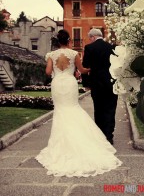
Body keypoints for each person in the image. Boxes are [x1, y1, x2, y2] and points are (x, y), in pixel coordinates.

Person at [36, 29, 122, 177]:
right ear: (69, 41)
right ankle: (103, 136)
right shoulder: (74, 54)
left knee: (61, 111)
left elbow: (48, 72)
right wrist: (90, 70)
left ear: (57, 41)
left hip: (58, 84)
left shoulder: (51, 55)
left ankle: (62, 145)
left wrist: (89, 76)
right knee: (76, 109)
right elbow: (82, 69)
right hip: (72, 83)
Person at [82, 28, 118, 145]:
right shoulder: (113, 47)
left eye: (89, 38)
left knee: (99, 109)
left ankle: (100, 135)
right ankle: (109, 136)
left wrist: (86, 84)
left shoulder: (89, 48)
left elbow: (85, 67)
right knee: (111, 109)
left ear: (92, 37)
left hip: (96, 84)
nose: (90, 41)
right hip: (111, 83)